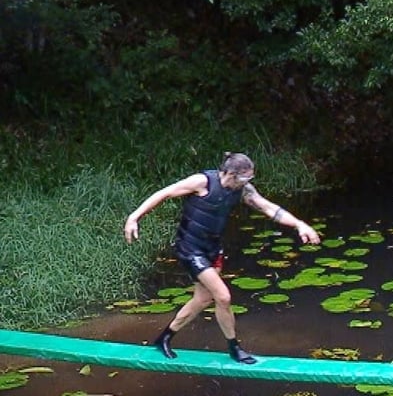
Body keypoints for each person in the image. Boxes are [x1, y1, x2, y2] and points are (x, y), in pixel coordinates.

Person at [124, 152, 321, 364]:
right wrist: (134, 217)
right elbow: (165, 193)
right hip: (190, 248)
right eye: (245, 178)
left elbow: (268, 208)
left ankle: (164, 338)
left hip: (212, 249)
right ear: (229, 173)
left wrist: (300, 224)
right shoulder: (203, 182)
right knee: (223, 296)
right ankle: (234, 347)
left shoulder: (243, 190)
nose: (248, 183)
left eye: (250, 179)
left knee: (202, 299)